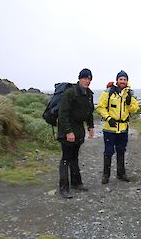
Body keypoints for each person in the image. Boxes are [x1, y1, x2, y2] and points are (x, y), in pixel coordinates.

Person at [57, 68, 94, 199]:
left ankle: (76, 183)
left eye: (89, 78)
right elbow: (63, 114)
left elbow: (89, 112)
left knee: (75, 157)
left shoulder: (89, 94)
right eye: (85, 78)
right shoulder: (70, 93)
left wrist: (91, 127)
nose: (87, 81)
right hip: (67, 130)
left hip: (79, 131)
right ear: (79, 78)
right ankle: (63, 188)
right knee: (66, 159)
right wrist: (68, 132)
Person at [97, 70, 139, 184]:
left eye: (125, 79)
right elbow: (101, 107)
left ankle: (121, 174)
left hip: (123, 128)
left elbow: (135, 109)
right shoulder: (108, 92)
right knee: (108, 151)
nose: (123, 81)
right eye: (121, 79)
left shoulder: (129, 93)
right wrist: (108, 118)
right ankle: (106, 175)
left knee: (121, 150)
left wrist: (129, 102)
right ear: (117, 80)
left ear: (127, 81)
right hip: (109, 128)